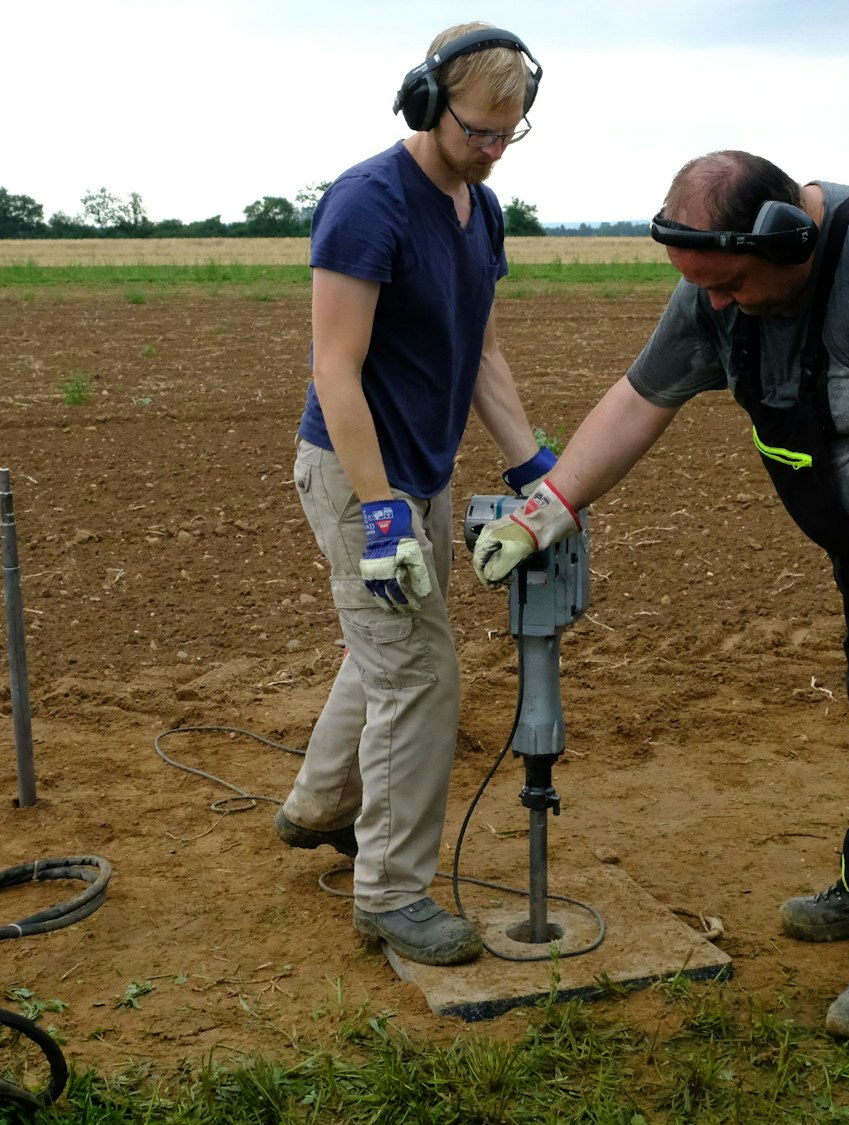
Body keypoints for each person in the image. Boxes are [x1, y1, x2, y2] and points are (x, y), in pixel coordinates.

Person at [473, 151, 849, 1038]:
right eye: (700, 285)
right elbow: (643, 398)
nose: (713, 303)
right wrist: (548, 507)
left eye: (731, 284)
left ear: (788, 239)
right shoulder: (722, 279)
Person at [273, 23, 556, 967]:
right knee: (421, 674)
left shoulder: (482, 208)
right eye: (477, 131)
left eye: (507, 135)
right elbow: (336, 368)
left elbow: (478, 348)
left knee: (387, 646)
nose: (490, 150)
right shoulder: (367, 204)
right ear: (428, 104)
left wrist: (534, 469)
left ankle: (318, 804)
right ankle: (390, 892)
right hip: (362, 479)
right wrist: (383, 510)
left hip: (423, 476)